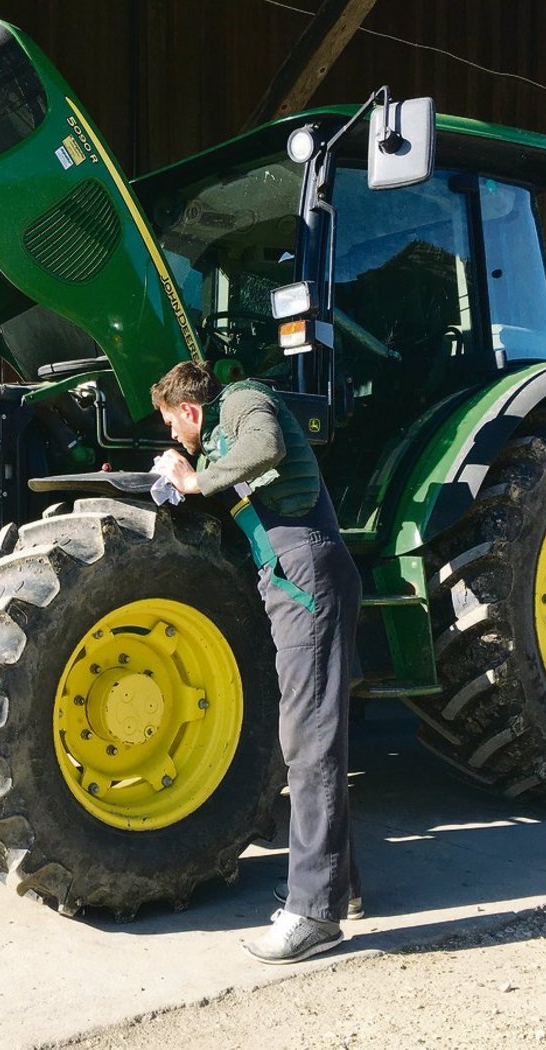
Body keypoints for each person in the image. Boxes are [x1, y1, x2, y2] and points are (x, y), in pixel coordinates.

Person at [151, 360, 361, 965]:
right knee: (316, 735)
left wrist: (193, 481)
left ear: (189, 410)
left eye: (171, 424)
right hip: (293, 577)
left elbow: (265, 447)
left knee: (309, 741)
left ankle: (313, 914)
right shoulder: (219, 435)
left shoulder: (245, 400)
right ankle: (335, 887)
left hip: (308, 574)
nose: (173, 438)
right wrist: (178, 483)